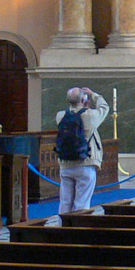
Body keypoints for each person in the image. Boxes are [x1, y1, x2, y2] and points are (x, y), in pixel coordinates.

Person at [54, 86, 110, 215]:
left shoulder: (60, 116)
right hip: (85, 162)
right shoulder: (90, 116)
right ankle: (78, 228)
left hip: (65, 163)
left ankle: (63, 228)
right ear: (84, 99)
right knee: (82, 202)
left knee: (65, 201)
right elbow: (104, 107)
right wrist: (93, 94)